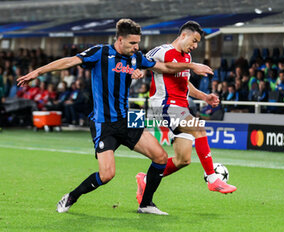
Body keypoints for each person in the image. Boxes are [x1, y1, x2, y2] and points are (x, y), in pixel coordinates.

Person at [17, 18, 213, 216]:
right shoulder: (100, 52)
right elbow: (68, 61)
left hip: (127, 119)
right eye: (132, 43)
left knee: (160, 157)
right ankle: (72, 196)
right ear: (119, 40)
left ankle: (146, 204)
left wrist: (191, 67)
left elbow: (165, 67)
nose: (137, 47)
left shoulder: (136, 57)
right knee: (107, 174)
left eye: (138, 43)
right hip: (104, 123)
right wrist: (37, 72)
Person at [133, 21, 236, 205]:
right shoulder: (162, 51)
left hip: (180, 107)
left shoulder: (187, 58)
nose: (195, 46)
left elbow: (185, 84)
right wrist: (136, 71)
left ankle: (145, 180)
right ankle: (212, 179)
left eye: (197, 43)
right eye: (194, 40)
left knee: (183, 159)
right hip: (163, 105)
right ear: (183, 35)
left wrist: (204, 96)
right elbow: (140, 60)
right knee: (198, 128)